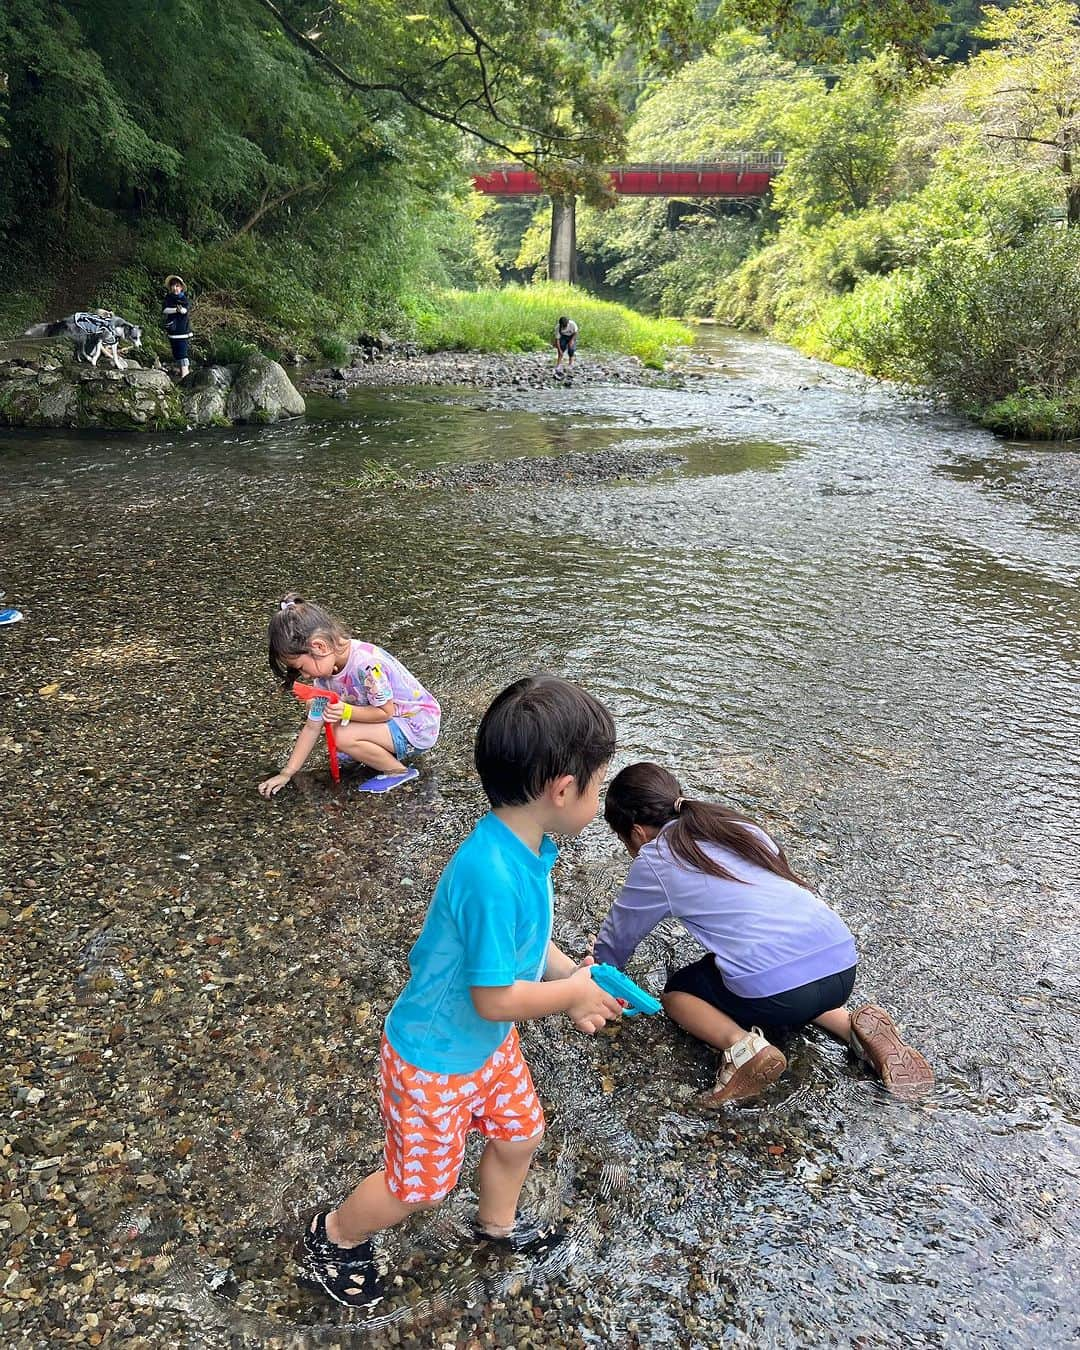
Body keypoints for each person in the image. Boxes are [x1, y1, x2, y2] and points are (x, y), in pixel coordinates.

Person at [297, 675, 625, 1306]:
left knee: (520, 1135)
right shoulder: (489, 873)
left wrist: (565, 974)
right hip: (435, 1059)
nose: (598, 797)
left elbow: (521, 946)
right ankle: (333, 1236)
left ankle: (495, 1227)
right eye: (599, 783)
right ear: (563, 790)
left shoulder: (530, 845)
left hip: (486, 1048)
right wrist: (570, 997)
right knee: (418, 1187)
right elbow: (493, 996)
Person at [594, 762, 934, 1106]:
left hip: (775, 989)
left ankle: (741, 1046)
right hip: (840, 966)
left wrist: (598, 973)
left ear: (636, 832)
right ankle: (853, 1028)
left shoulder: (655, 858)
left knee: (679, 994)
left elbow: (621, 933)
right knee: (776, 969)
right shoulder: (734, 826)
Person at [258, 592, 441, 797]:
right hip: (390, 722)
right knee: (334, 723)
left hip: (415, 725)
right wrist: (287, 772)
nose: (305, 676)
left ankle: (397, 770)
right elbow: (312, 726)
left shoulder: (367, 665)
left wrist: (345, 711)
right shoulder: (323, 676)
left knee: (340, 735)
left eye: (301, 668)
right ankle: (366, 749)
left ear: (320, 646)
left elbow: (385, 712)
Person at [162, 275, 193, 379]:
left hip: (182, 330)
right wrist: (175, 310)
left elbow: (185, 310)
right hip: (172, 330)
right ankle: (181, 373)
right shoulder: (168, 298)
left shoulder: (184, 299)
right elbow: (165, 310)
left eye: (177, 286)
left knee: (182, 352)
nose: (175, 288)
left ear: (181, 287)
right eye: (173, 286)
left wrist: (180, 310)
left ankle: (185, 375)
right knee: (176, 352)